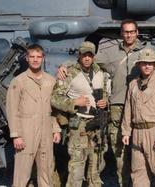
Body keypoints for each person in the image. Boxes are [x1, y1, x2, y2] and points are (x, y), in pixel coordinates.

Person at [57, 19, 146, 187]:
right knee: (119, 154)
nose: (129, 34)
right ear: (121, 33)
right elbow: (88, 60)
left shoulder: (147, 51)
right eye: (126, 32)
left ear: (137, 32)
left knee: (141, 153)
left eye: (132, 31)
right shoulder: (111, 53)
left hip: (141, 108)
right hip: (118, 108)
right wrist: (65, 65)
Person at [51, 41, 108, 187]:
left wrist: (105, 101)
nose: (87, 58)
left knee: (95, 165)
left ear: (94, 56)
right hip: (79, 126)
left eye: (90, 55)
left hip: (97, 124)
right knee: (77, 166)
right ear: (79, 55)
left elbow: (106, 93)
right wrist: (75, 102)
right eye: (84, 55)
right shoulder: (69, 73)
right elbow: (54, 98)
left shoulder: (100, 72)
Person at [6, 44, 61, 187]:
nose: (35, 60)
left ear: (43, 58)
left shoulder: (51, 81)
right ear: (27, 58)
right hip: (26, 132)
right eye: (32, 56)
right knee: (22, 174)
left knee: (46, 173)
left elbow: (53, 108)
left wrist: (55, 129)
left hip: (46, 132)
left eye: (38, 56)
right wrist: (16, 135)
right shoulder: (18, 81)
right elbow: (12, 110)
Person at [122, 48, 155, 187]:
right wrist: (126, 131)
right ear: (139, 64)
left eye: (150, 63)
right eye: (144, 63)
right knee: (138, 173)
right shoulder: (133, 84)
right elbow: (128, 108)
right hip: (137, 133)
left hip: (154, 131)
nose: (147, 66)